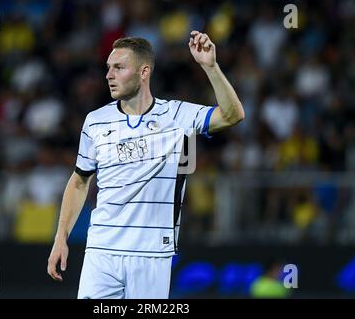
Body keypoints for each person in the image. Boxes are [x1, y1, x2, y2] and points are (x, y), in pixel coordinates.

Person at [47, 31, 245, 299]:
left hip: (152, 253)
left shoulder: (177, 116)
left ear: (144, 72)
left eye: (119, 68)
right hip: (101, 251)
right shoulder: (95, 121)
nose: (109, 75)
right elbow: (80, 180)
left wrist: (210, 67)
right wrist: (61, 238)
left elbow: (233, 115)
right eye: (108, 68)